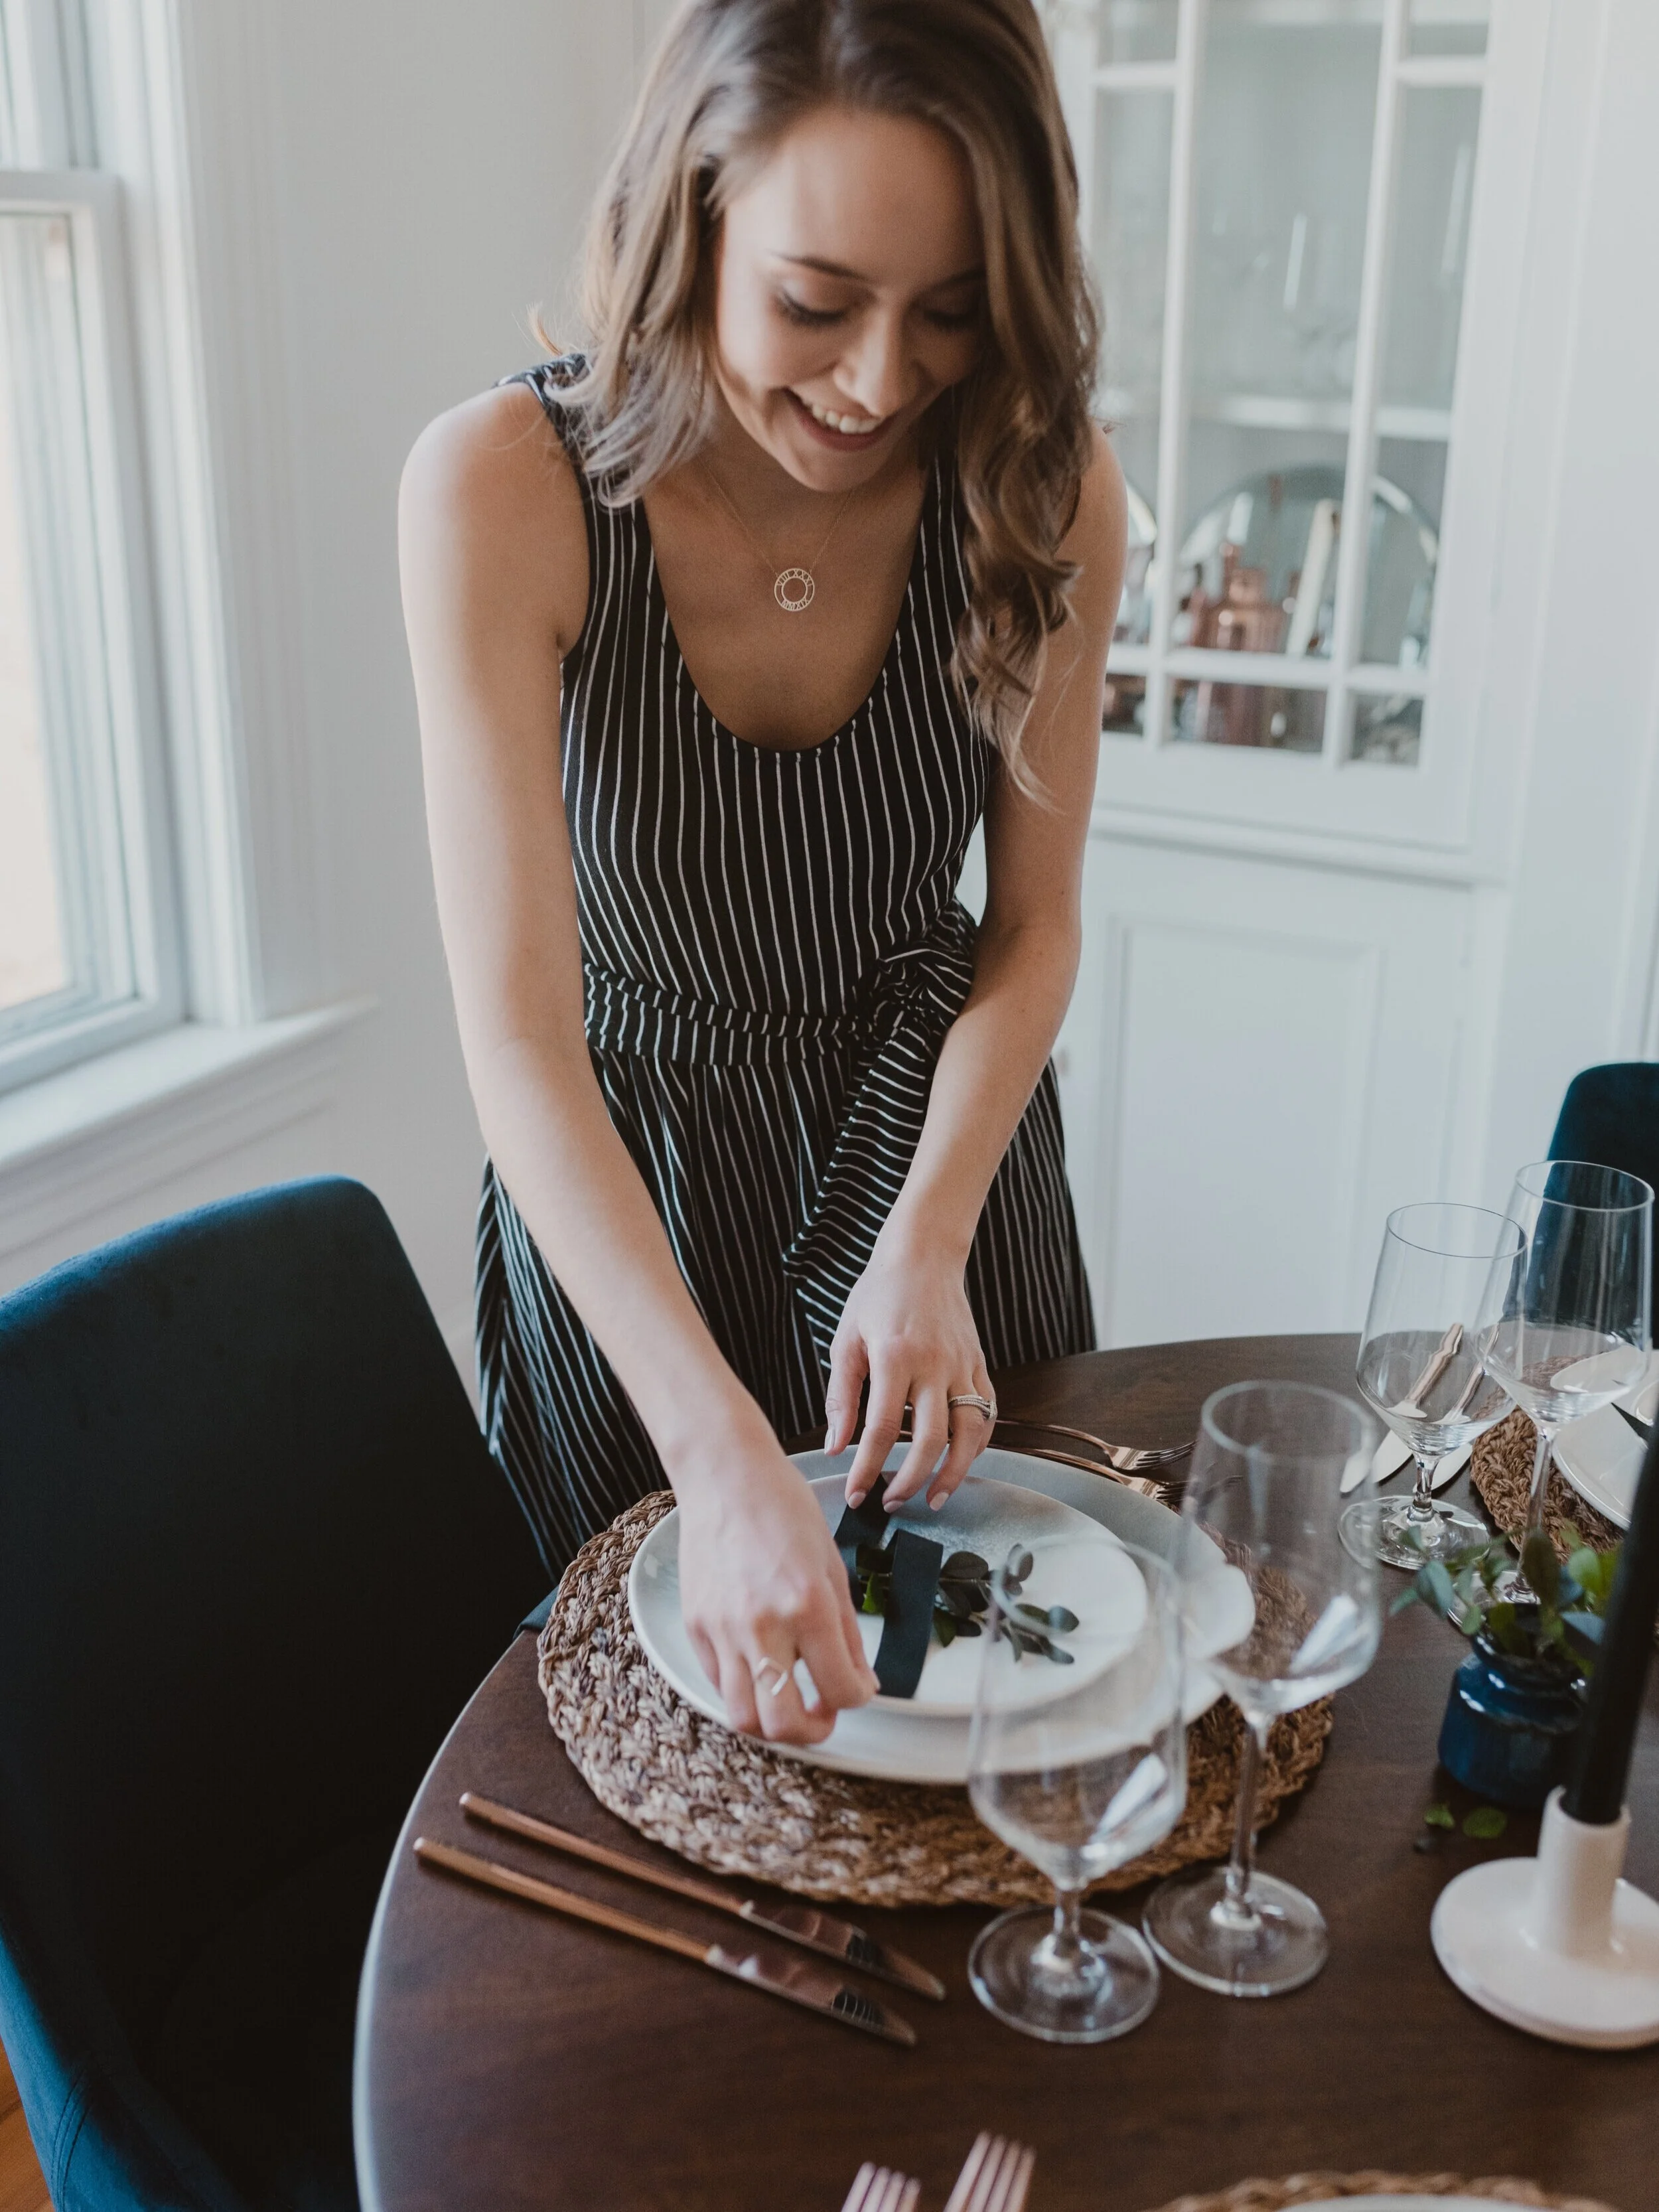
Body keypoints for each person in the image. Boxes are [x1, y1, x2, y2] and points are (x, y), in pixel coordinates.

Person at [399, 0, 1126, 1751]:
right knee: (658, 1760)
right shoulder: (505, 490)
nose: (880, 381)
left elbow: (1026, 932)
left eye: (950, 311)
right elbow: (517, 1033)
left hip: (939, 1166)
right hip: (632, 1198)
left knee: (999, 1743)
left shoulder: (1043, 489)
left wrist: (930, 1238)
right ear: (692, 211)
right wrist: (712, 1440)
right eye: (816, 302)